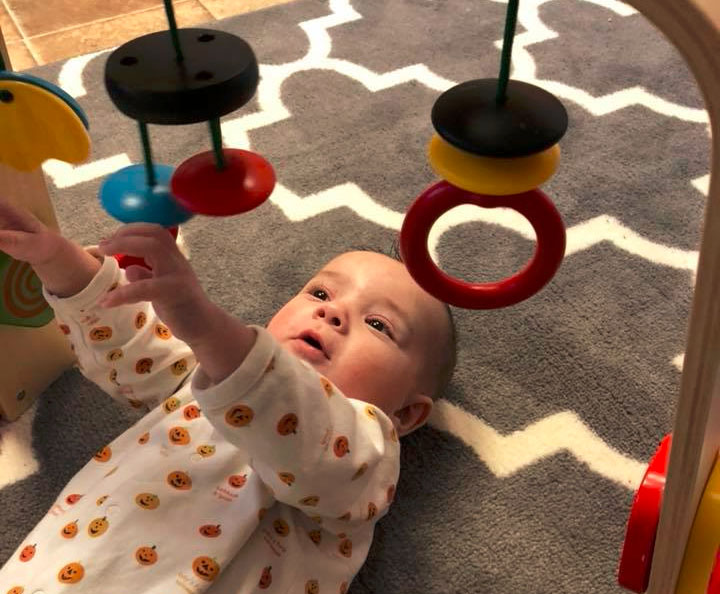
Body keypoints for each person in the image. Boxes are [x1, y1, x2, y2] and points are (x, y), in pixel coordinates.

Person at [0, 198, 456, 594]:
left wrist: (207, 324)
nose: (331, 311)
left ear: (407, 413)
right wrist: (60, 261)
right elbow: (130, 343)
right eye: (320, 291)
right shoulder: (203, 382)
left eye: (379, 325)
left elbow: (302, 433)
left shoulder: (367, 455)